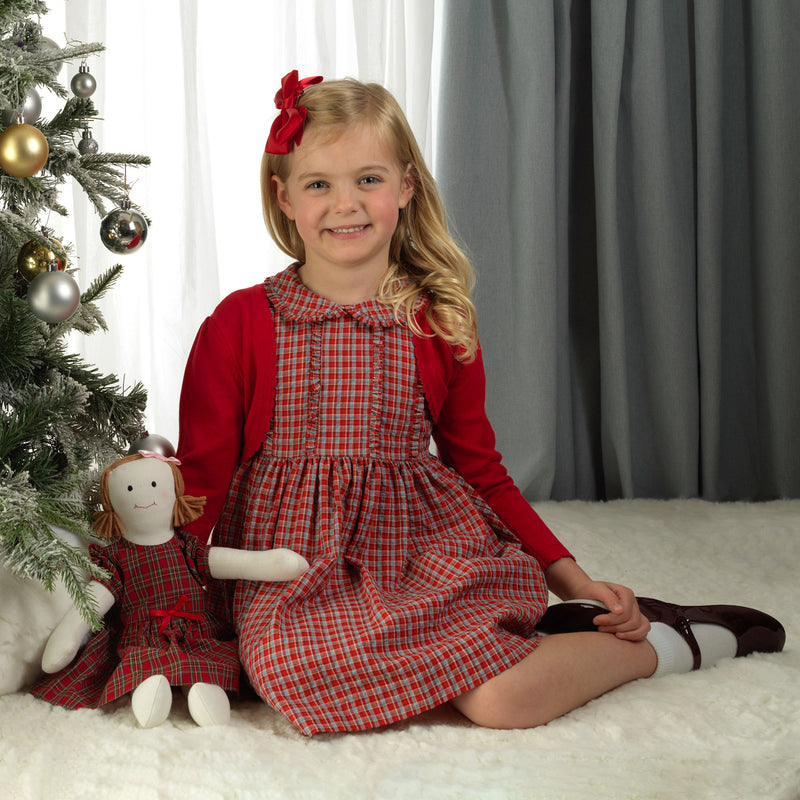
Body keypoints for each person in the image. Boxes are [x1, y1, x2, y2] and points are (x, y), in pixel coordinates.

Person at [176, 70, 784, 736]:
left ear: (406, 186)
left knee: (500, 705)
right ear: (284, 196)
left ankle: (669, 644)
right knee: (280, 670)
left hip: (409, 558)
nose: (345, 203)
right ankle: (513, 649)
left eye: (369, 180)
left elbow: (481, 470)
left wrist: (575, 582)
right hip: (292, 569)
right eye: (319, 183)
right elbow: (199, 480)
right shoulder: (240, 323)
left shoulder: (434, 323)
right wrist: (154, 591)